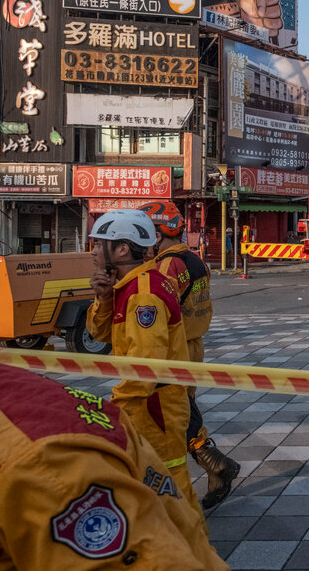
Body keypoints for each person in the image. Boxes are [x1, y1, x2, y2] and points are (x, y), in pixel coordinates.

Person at [0, 361, 228, 569]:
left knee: (173, 467)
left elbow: (144, 357)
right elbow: (101, 333)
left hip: (153, 397)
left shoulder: (34, 463)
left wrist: (123, 399)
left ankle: (214, 470)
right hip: (157, 393)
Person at [86, 209, 203, 518]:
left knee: (170, 486)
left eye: (98, 245)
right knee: (152, 483)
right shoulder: (130, 287)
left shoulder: (144, 295)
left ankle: (191, 552)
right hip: (148, 402)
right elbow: (99, 334)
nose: (93, 252)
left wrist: (116, 406)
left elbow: (145, 367)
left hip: (154, 406)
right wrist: (103, 298)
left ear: (122, 249)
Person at [139, 201, 240, 509]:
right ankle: (214, 463)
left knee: (174, 411)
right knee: (181, 407)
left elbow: (159, 308)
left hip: (174, 347)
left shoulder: (168, 266)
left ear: (157, 235)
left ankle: (215, 464)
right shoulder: (194, 259)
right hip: (192, 345)